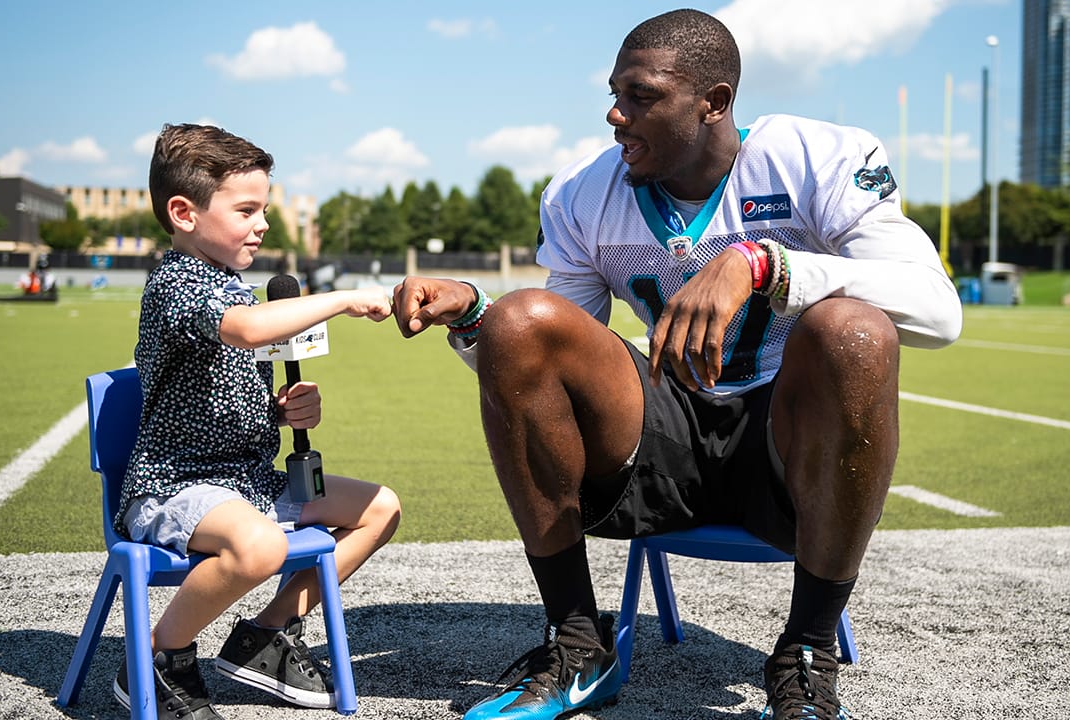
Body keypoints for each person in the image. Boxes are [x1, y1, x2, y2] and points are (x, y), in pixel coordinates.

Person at [391, 10, 962, 720]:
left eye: (641, 96)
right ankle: (575, 641)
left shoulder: (818, 158)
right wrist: (479, 318)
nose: (614, 113)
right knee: (519, 315)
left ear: (714, 102)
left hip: (791, 444)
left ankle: (807, 651)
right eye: (614, 92)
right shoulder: (582, 191)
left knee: (854, 329)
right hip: (662, 438)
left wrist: (762, 263)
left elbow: (938, 312)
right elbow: (550, 360)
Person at [115, 123, 402, 720]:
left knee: (381, 507)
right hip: (175, 487)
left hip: (248, 484)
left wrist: (282, 411)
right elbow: (245, 330)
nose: (262, 222)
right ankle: (156, 657)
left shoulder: (231, 286)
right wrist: (345, 299)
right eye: (247, 209)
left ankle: (265, 637)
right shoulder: (176, 282)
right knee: (262, 545)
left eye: (264, 208)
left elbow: (228, 381)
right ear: (183, 212)